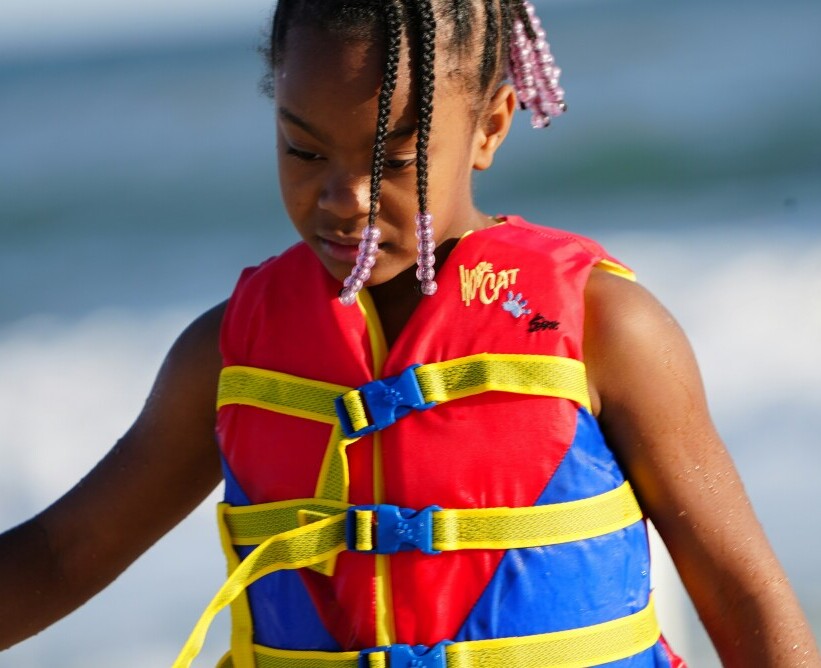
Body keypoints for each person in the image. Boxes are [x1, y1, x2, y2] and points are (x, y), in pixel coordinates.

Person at [1, 0, 819, 666]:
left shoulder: (603, 329)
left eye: (393, 161)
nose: (342, 197)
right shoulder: (226, 353)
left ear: (492, 126)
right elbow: (62, 556)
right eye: (302, 149)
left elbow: (741, 593)